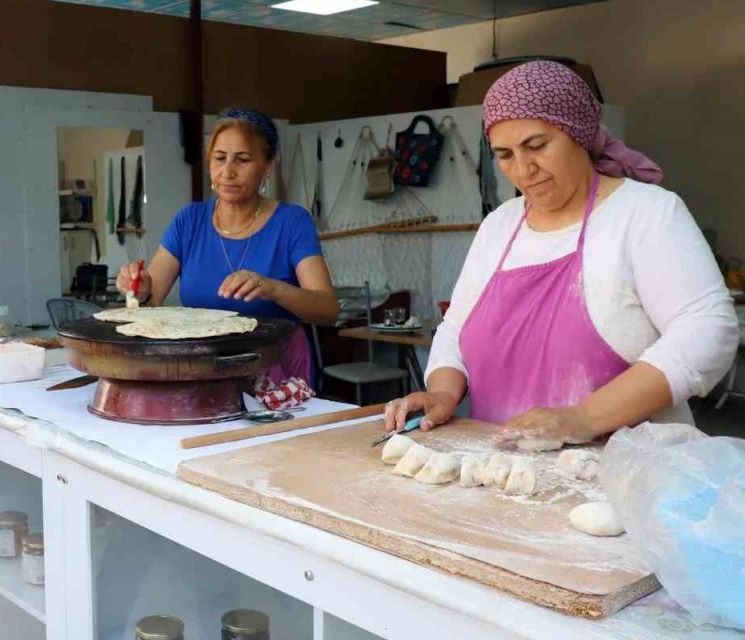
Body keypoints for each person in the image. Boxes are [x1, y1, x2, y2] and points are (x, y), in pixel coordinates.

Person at [383, 61, 738, 446]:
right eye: (505, 155)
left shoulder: (645, 214)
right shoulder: (499, 226)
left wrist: (582, 417)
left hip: (631, 480)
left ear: (579, 134)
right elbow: (455, 330)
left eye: (536, 146)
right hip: (503, 476)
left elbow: (707, 330)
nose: (523, 170)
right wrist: (443, 392)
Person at [116, 108, 340, 385]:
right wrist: (139, 289)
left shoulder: (292, 223)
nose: (228, 172)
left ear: (267, 166)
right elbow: (149, 306)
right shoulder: (189, 221)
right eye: (219, 158)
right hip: (203, 370)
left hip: (275, 371)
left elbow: (328, 310)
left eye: (243, 160)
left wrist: (273, 288)